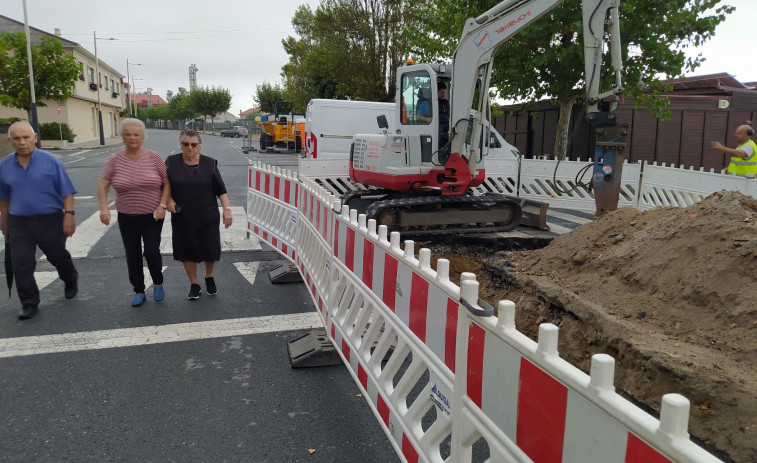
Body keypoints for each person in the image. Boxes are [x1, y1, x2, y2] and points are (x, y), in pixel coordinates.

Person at [0, 122, 78, 320]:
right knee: (21, 264)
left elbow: (67, 192)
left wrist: (69, 215)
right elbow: (4, 196)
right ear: (11, 141)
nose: (22, 142)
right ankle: (29, 303)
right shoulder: (4, 165)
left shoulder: (51, 162)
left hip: (49, 220)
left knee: (58, 256)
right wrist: (4, 220)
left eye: (26, 137)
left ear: (35, 137)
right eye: (17, 138)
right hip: (19, 223)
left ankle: (70, 278)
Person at [98, 118, 169, 307]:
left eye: (136, 134)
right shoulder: (114, 160)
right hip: (127, 215)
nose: (132, 137)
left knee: (152, 251)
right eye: (128, 134)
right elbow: (103, 185)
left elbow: (167, 182)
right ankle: (138, 290)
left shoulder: (154, 157)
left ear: (143, 136)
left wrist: (162, 205)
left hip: (152, 214)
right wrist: (104, 207)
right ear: (122, 137)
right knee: (133, 253)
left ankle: (158, 283)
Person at [165, 129, 232, 300]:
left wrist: (227, 210)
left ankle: (209, 276)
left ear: (199, 146)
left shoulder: (210, 164)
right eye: (185, 144)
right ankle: (194, 283)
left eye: (193, 144)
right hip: (183, 216)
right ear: (180, 144)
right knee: (186, 249)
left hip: (207, 214)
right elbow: (165, 187)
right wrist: (169, 200)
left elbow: (221, 190)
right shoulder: (171, 163)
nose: (189, 148)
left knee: (209, 248)